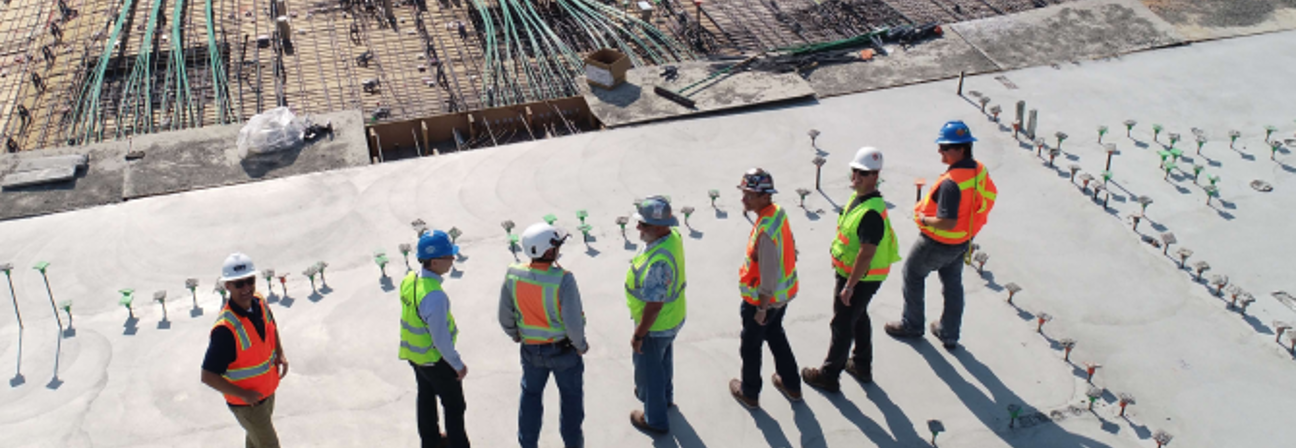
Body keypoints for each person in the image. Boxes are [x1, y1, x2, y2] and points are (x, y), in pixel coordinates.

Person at [885, 121, 998, 349]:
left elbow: (946, 221)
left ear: (961, 149)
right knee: (953, 284)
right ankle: (949, 333)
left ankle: (912, 325)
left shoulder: (951, 184)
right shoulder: (978, 170)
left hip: (937, 242)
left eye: (945, 147)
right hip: (963, 240)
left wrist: (924, 219)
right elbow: (985, 198)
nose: (940, 151)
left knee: (913, 274)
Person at [802, 147, 901, 392]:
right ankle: (861, 364)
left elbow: (866, 253)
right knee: (858, 316)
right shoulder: (861, 199)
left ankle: (829, 375)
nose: (856, 177)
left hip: (860, 278)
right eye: (855, 171)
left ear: (875, 176)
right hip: (856, 275)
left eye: (863, 174)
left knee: (842, 324)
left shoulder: (871, 213)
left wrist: (849, 286)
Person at [499, 223, 588, 448]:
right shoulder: (563, 279)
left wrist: (515, 334)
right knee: (571, 402)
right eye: (557, 245)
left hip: (530, 351)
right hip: (564, 351)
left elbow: (504, 315)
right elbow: (573, 322)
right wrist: (581, 345)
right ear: (548, 251)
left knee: (530, 398)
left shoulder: (514, 274)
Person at [729, 168, 802, 408]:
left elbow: (768, 274)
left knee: (750, 346)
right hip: (782, 298)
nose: (744, 198)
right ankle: (792, 384)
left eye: (749, 195)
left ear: (764, 197)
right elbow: (790, 243)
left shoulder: (765, 230)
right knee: (775, 335)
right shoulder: (777, 214)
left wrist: (761, 308)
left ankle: (749, 392)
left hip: (763, 302)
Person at [201, 252, 289, 448]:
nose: (246, 288)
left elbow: (271, 326)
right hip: (247, 405)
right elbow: (208, 375)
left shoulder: (259, 301)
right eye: (239, 284)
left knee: (255, 440)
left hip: (266, 393)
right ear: (228, 286)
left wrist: (280, 352)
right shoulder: (225, 329)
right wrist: (243, 394)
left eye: (250, 280)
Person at [402, 230, 470, 447]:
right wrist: (457, 364)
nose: (452, 260)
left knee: (425, 397)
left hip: (415, 355)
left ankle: (430, 441)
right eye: (449, 256)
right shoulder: (435, 296)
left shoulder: (410, 279)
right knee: (455, 405)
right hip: (435, 358)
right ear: (434, 261)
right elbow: (440, 338)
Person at [625, 196, 687, 434]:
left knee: (649, 372)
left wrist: (639, 335)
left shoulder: (658, 262)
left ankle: (655, 419)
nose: (638, 227)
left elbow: (653, 305)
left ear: (661, 227)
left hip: (656, 325)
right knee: (662, 361)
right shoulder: (672, 237)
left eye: (645, 224)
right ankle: (665, 398)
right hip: (673, 318)